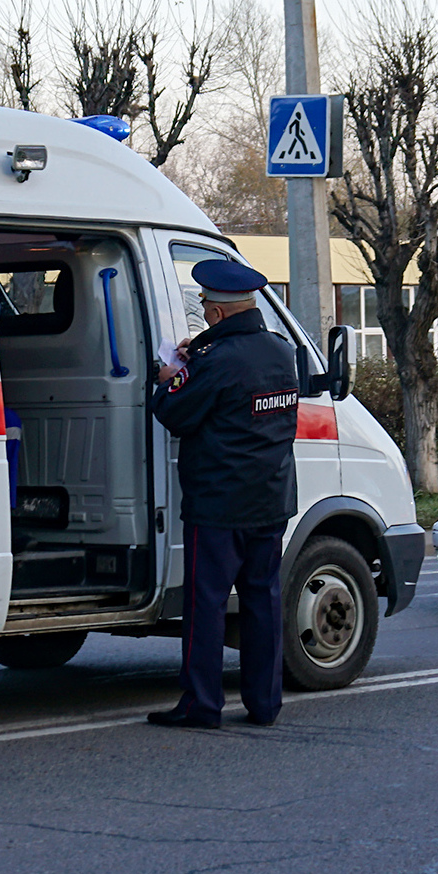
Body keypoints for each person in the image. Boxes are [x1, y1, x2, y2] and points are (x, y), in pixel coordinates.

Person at [146, 260, 300, 729]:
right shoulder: (281, 351)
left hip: (218, 503)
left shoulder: (217, 362)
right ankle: (264, 703)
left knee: (207, 605)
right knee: (262, 601)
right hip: (270, 497)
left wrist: (170, 377)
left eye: (205, 307)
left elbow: (174, 411)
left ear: (214, 314)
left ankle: (202, 704)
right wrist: (204, 354)